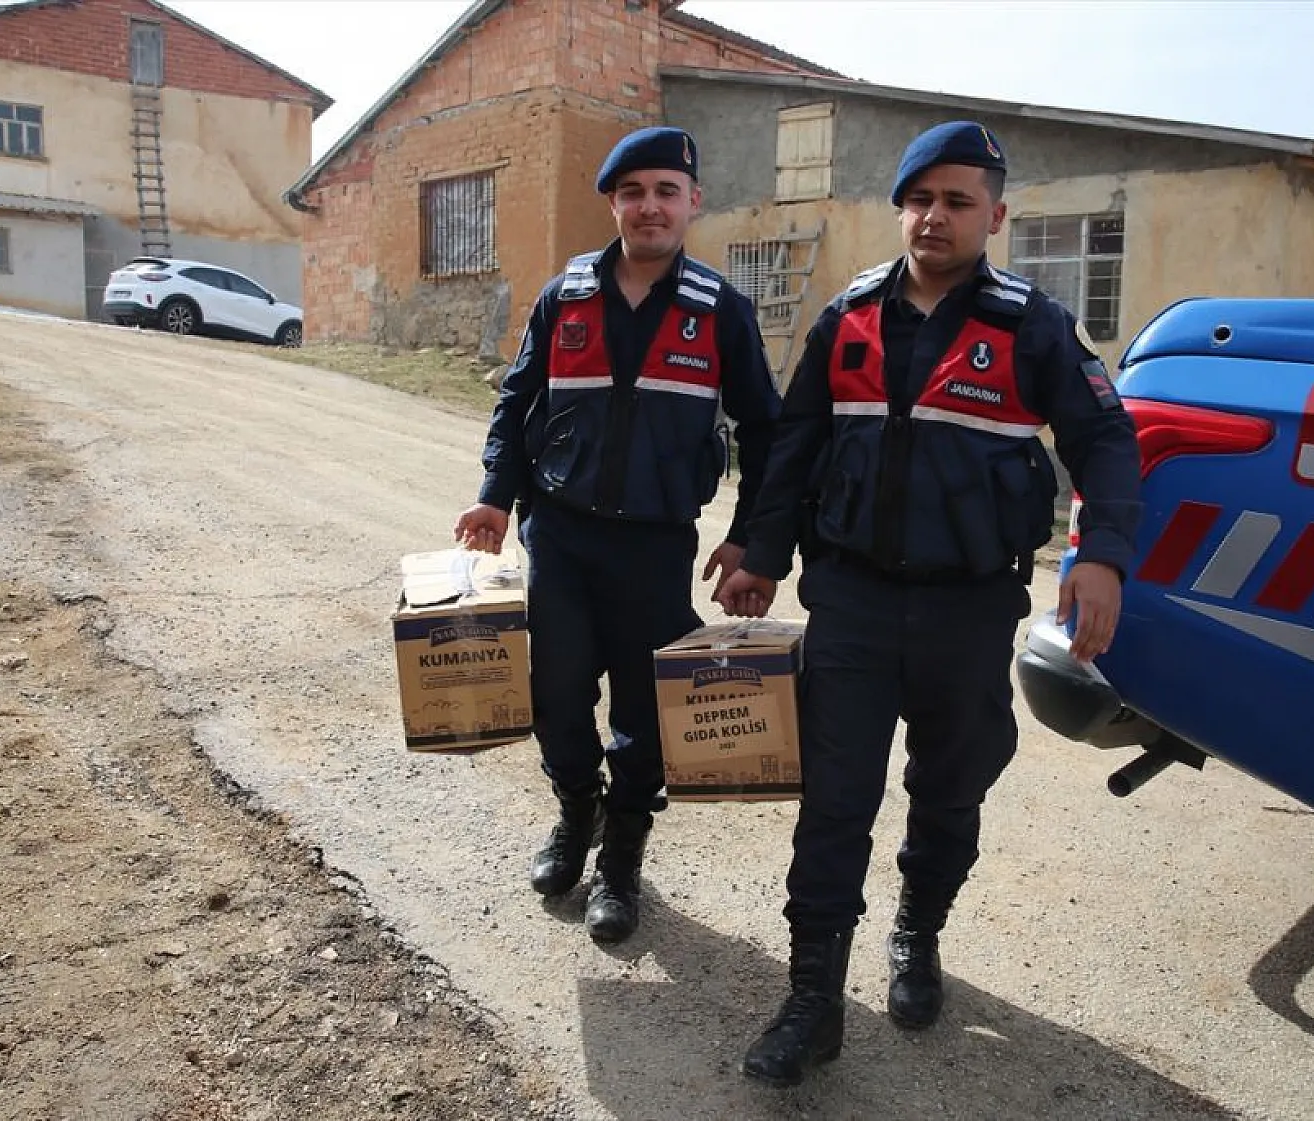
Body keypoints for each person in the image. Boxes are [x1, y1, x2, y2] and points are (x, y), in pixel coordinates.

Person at [714, 120, 1143, 1085]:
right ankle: (813, 998)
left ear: (994, 215)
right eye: (921, 198)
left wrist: (1102, 553)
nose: (935, 216)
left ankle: (918, 931)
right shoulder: (849, 317)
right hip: (854, 604)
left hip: (967, 610)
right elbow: (794, 451)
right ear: (899, 208)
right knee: (834, 801)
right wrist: (761, 553)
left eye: (958, 201)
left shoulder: (1031, 325)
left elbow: (1107, 441)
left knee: (949, 790)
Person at [454, 126, 780, 945]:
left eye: (667, 190)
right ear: (613, 202)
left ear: (692, 202)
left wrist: (748, 537)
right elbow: (517, 403)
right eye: (633, 192)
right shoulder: (564, 297)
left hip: (655, 545)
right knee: (557, 697)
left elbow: (770, 436)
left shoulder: (720, 310)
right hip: (559, 537)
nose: (650, 206)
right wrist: (496, 495)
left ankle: (622, 860)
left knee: (643, 710)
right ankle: (576, 815)